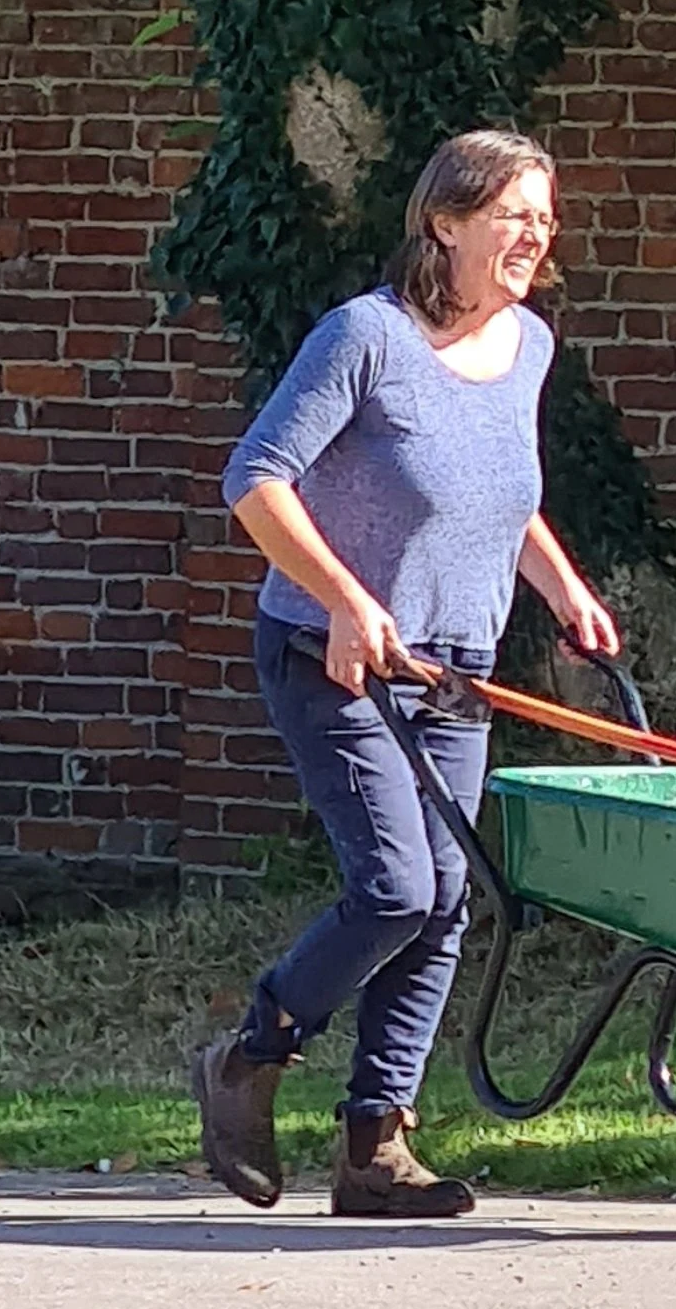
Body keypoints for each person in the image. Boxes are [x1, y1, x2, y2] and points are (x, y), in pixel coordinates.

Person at [193, 127, 620, 1221]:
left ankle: (374, 1148)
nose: (538, 234)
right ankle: (250, 1054)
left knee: (443, 905)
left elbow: (500, 492)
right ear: (445, 220)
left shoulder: (526, 344)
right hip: (328, 656)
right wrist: (343, 596)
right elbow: (255, 480)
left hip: (456, 664)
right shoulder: (364, 338)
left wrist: (561, 589)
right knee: (396, 886)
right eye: (514, 214)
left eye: (544, 215)